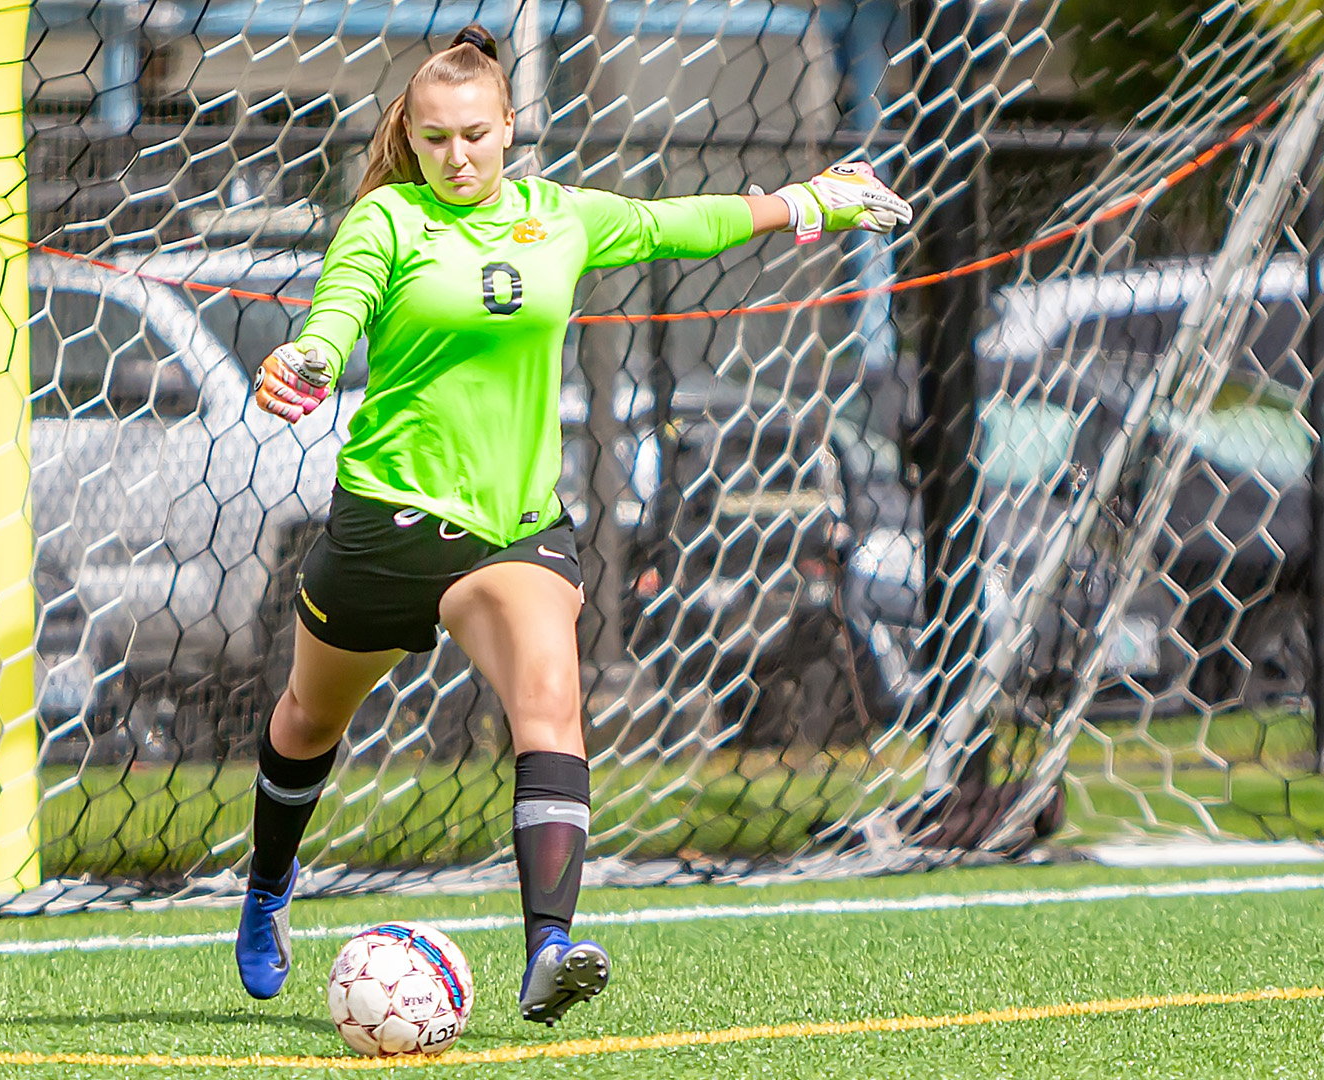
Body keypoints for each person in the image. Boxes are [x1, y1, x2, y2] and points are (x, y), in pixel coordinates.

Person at [237, 24, 913, 1025]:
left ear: (509, 125)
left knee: (551, 706)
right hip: (387, 521)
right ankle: (264, 891)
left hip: (514, 531)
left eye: (474, 133)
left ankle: (548, 948)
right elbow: (337, 311)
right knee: (308, 720)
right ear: (412, 139)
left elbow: (684, 222)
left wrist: (810, 200)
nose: (457, 155)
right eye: (435, 140)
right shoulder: (386, 224)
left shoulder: (562, 215)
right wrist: (308, 362)